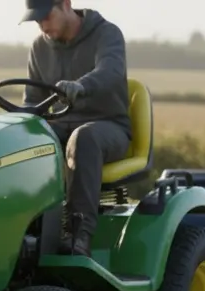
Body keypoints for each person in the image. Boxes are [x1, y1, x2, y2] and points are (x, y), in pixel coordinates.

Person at [20, 0, 131, 257]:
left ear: (66, 4)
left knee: (84, 138)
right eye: (36, 20)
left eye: (46, 16)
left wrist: (82, 86)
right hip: (61, 126)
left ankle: (78, 234)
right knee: (26, 140)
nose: (41, 25)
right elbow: (33, 102)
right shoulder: (39, 47)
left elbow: (111, 71)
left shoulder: (107, 34)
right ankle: (25, 229)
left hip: (107, 127)